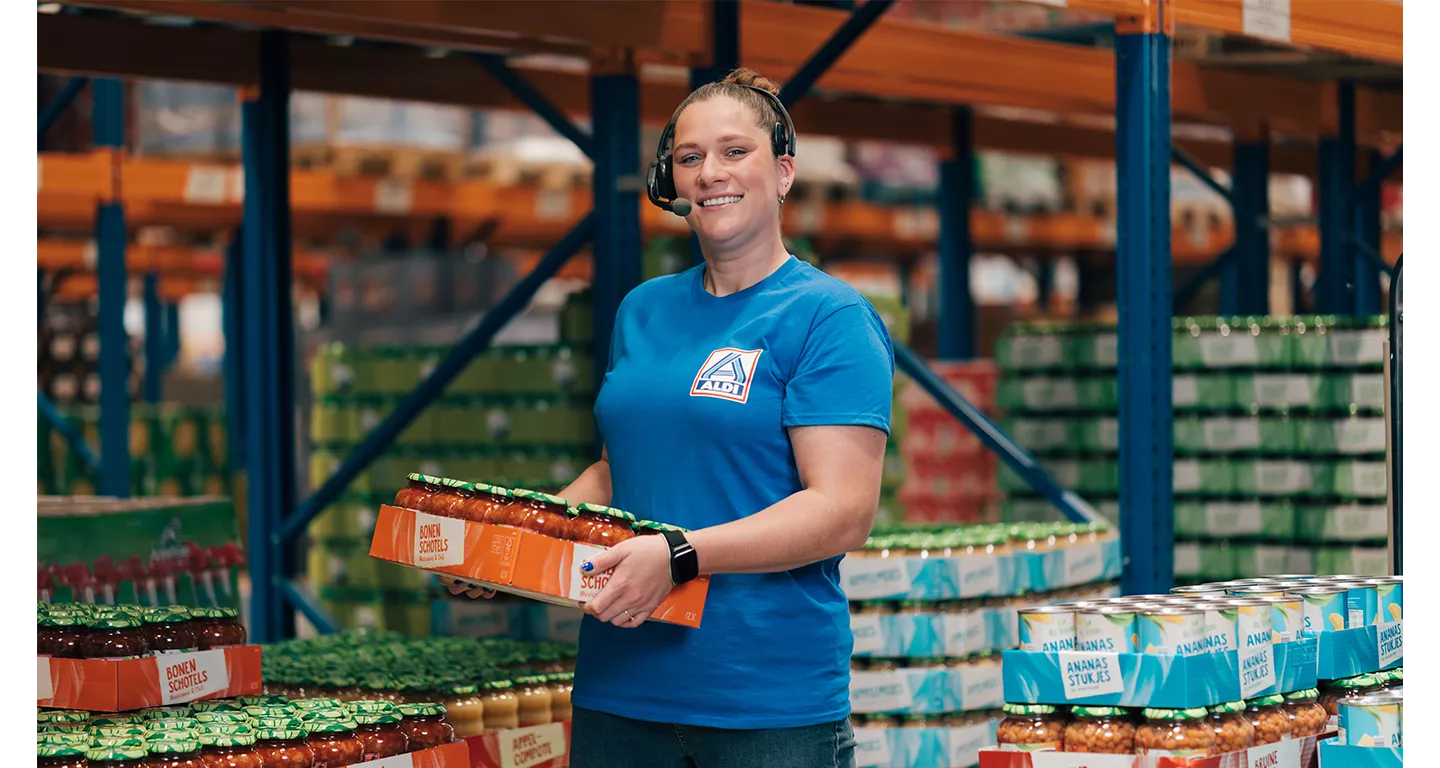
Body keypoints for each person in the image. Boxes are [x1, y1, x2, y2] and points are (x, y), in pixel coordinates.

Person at [446, 68, 894, 768]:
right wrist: (515, 543)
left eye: (733, 151)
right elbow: (617, 467)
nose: (710, 172)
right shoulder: (643, 310)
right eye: (690, 158)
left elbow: (842, 510)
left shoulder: (828, 318)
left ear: (782, 172)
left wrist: (682, 554)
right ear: (672, 181)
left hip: (763, 705)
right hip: (620, 688)